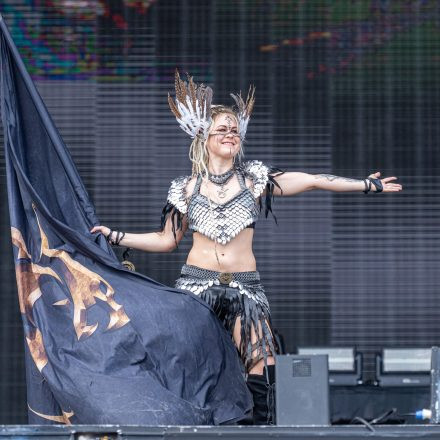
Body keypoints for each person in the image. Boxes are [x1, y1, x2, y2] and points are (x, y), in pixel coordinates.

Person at [91, 71, 402, 424]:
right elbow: (166, 240)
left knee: (262, 360)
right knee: (195, 363)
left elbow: (313, 181)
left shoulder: (254, 179)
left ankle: (258, 430)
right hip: (196, 290)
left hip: (245, 289)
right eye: (222, 129)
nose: (230, 134)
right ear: (204, 137)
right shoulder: (185, 188)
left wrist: (366, 184)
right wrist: (116, 235)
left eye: (235, 130)